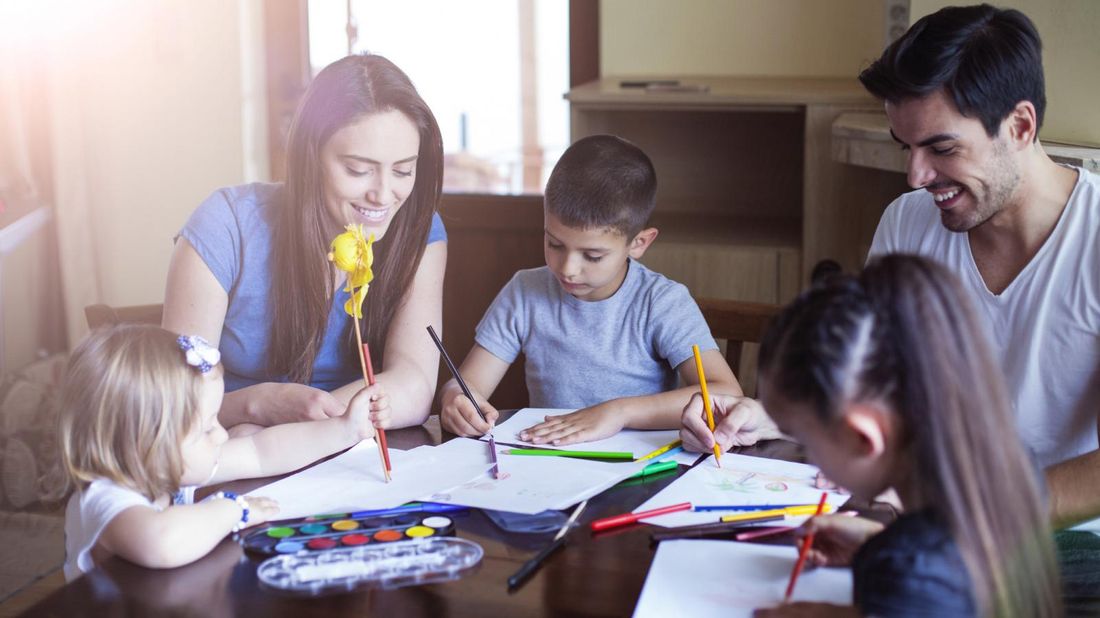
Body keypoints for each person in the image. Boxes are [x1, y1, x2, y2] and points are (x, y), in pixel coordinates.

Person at [858, 4, 1100, 528]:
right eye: (906, 147)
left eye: (941, 148)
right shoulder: (905, 224)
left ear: (1019, 125)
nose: (916, 176)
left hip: (1067, 542)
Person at [753, 255, 1061, 617]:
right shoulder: (1013, 472)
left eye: (803, 439)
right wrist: (877, 551)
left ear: (862, 438)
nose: (810, 458)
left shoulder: (910, 569)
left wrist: (895, 572)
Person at [163, 54, 446, 431]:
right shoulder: (225, 225)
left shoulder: (419, 231)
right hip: (230, 447)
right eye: (358, 170)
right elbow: (174, 401)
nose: (383, 194)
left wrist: (316, 420)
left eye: (402, 170)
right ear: (310, 158)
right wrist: (256, 406)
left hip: (350, 447)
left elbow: (413, 380)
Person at [440, 135, 762, 445]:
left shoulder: (661, 302)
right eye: (554, 243)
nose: (567, 268)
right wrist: (456, 399)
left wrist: (619, 412)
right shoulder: (525, 293)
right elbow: (468, 384)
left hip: (641, 468)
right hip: (550, 462)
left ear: (639, 243)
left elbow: (726, 394)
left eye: (592, 256)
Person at [59, 325, 382, 579]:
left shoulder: (166, 468)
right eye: (205, 428)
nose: (221, 433)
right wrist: (232, 511)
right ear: (144, 443)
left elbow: (262, 451)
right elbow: (162, 543)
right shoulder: (105, 499)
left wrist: (343, 430)